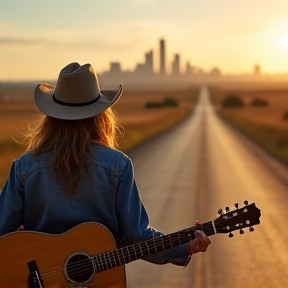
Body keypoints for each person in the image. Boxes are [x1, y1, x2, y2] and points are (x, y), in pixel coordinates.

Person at [0, 62, 211, 279]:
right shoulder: (118, 165)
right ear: (100, 116)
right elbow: (136, 236)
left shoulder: (24, 167)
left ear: (52, 117)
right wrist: (185, 246)